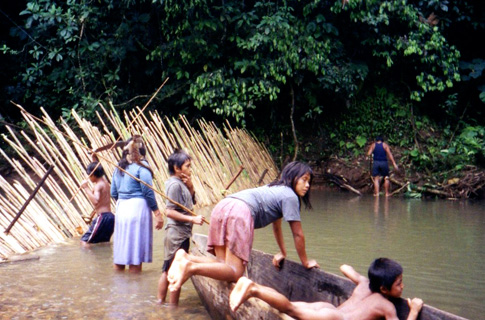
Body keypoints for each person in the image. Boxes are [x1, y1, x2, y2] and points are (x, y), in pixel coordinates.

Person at [167, 161, 319, 293]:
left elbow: (277, 227)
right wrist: (305, 262)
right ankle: (190, 267)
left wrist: (283, 253)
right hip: (239, 212)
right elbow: (298, 234)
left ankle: (186, 257)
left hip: (223, 206)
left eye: (309, 182)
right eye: (304, 180)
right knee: (235, 272)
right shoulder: (290, 196)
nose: (307, 185)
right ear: (293, 178)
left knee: (223, 266)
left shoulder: (275, 189)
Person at [230, 258, 424, 320]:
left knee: (288, 306)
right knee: (289, 309)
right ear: (383, 288)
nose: (403, 287)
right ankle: (253, 290)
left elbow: (345, 268)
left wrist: (359, 277)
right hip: (334, 319)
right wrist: (413, 310)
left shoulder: (365, 283)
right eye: (399, 283)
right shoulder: (386, 306)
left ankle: (251, 285)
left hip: (329, 309)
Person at [110, 135, 164, 273]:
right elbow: (147, 191)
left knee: (121, 252)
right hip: (137, 210)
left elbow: (113, 193)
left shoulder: (119, 167)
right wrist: (157, 213)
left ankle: (119, 289)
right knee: (135, 254)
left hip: (121, 210)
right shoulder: (142, 166)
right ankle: (135, 290)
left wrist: (125, 203)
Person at [157, 149, 204, 305]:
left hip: (182, 234)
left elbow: (190, 204)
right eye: (187, 166)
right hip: (176, 235)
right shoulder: (174, 186)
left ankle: (162, 304)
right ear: (177, 168)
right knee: (172, 270)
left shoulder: (182, 183)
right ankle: (172, 308)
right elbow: (169, 212)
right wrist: (192, 219)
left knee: (168, 268)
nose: (190, 170)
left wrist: (190, 187)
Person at [80, 161, 115, 246]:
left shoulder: (98, 186)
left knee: (84, 241)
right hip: (110, 217)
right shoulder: (105, 183)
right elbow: (97, 166)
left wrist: (86, 188)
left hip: (103, 217)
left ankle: (89, 259)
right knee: (103, 243)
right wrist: (93, 157)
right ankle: (104, 259)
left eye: (89, 175)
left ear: (94, 175)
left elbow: (96, 201)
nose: (89, 178)